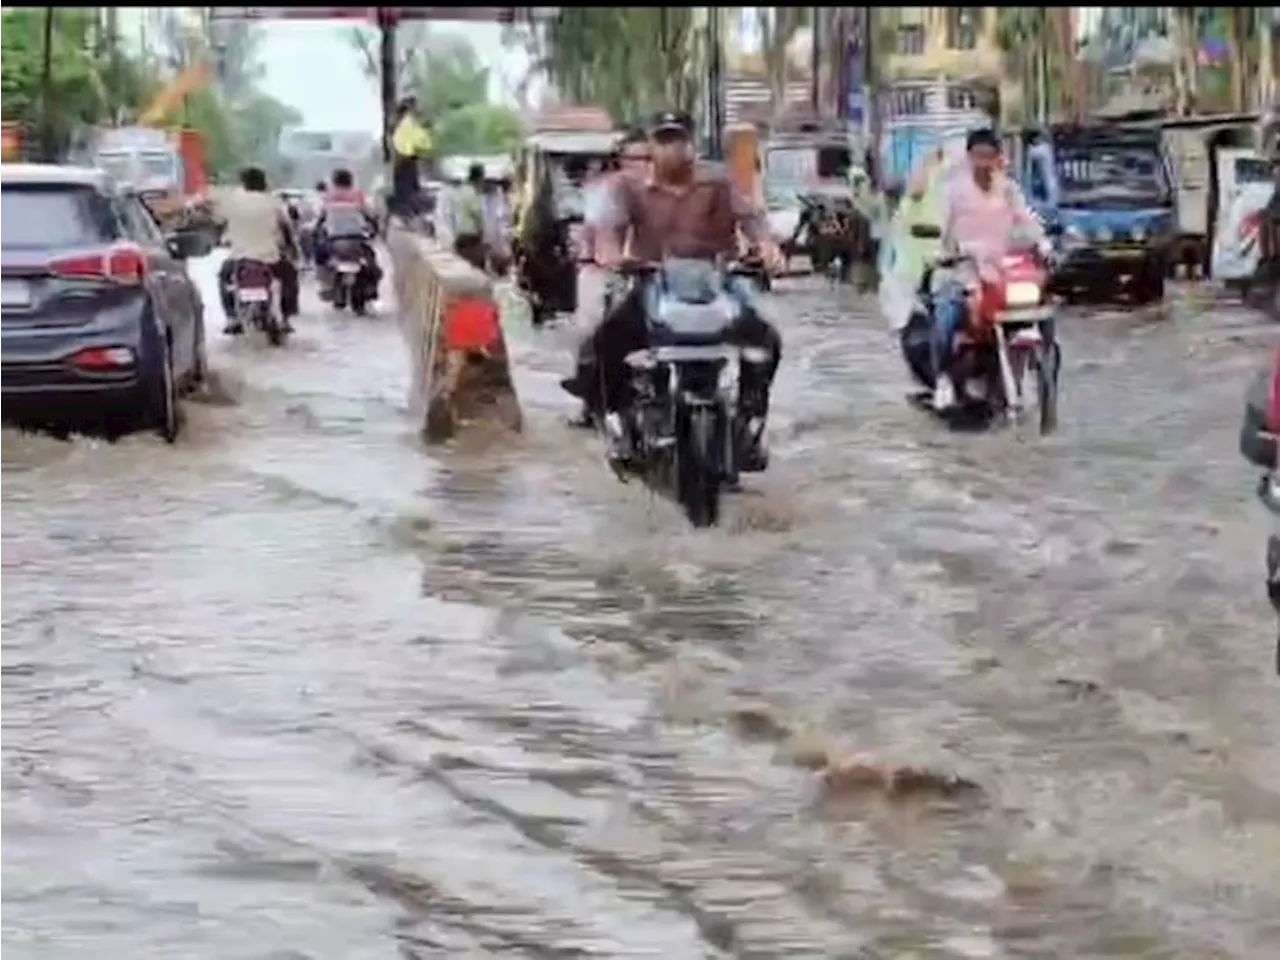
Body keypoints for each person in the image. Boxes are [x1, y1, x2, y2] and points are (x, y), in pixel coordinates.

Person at [564, 110, 784, 468]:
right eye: (663, 141)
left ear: (691, 145)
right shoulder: (628, 188)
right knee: (603, 341)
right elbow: (609, 232)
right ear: (652, 146)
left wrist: (767, 246)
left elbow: (752, 219)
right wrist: (610, 254)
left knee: (766, 339)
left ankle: (748, 424)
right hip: (653, 281)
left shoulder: (718, 182)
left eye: (677, 140)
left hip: (717, 282)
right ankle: (619, 422)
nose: (670, 150)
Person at [931, 127, 1048, 410]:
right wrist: (944, 251)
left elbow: (1028, 220)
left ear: (998, 158)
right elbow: (938, 228)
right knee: (945, 318)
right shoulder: (952, 191)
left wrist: (1043, 244)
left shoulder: (1008, 189)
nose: (984, 163)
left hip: (1001, 277)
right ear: (969, 157)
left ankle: (1041, 377)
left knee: (1041, 313)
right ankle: (943, 378)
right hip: (961, 274)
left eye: (990, 156)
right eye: (978, 156)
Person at [214, 166, 300, 335]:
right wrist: (292, 249)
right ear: (264, 183)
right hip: (269, 257)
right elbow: (286, 228)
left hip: (239, 258)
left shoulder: (233, 202)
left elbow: (218, 223)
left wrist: (220, 238)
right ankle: (287, 316)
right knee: (290, 275)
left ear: (243, 183)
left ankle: (232, 317)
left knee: (224, 277)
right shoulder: (273, 203)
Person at [390, 96, 432, 219]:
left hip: (402, 161)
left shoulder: (399, 122)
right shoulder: (408, 123)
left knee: (405, 191)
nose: (419, 109)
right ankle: (410, 215)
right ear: (410, 109)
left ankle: (406, 215)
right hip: (407, 160)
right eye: (416, 107)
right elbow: (421, 142)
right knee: (410, 191)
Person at [452, 162, 487, 270]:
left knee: (462, 267)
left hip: (459, 234)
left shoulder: (461, 190)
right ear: (479, 178)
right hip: (470, 236)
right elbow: (477, 214)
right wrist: (482, 229)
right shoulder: (472, 192)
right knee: (476, 269)